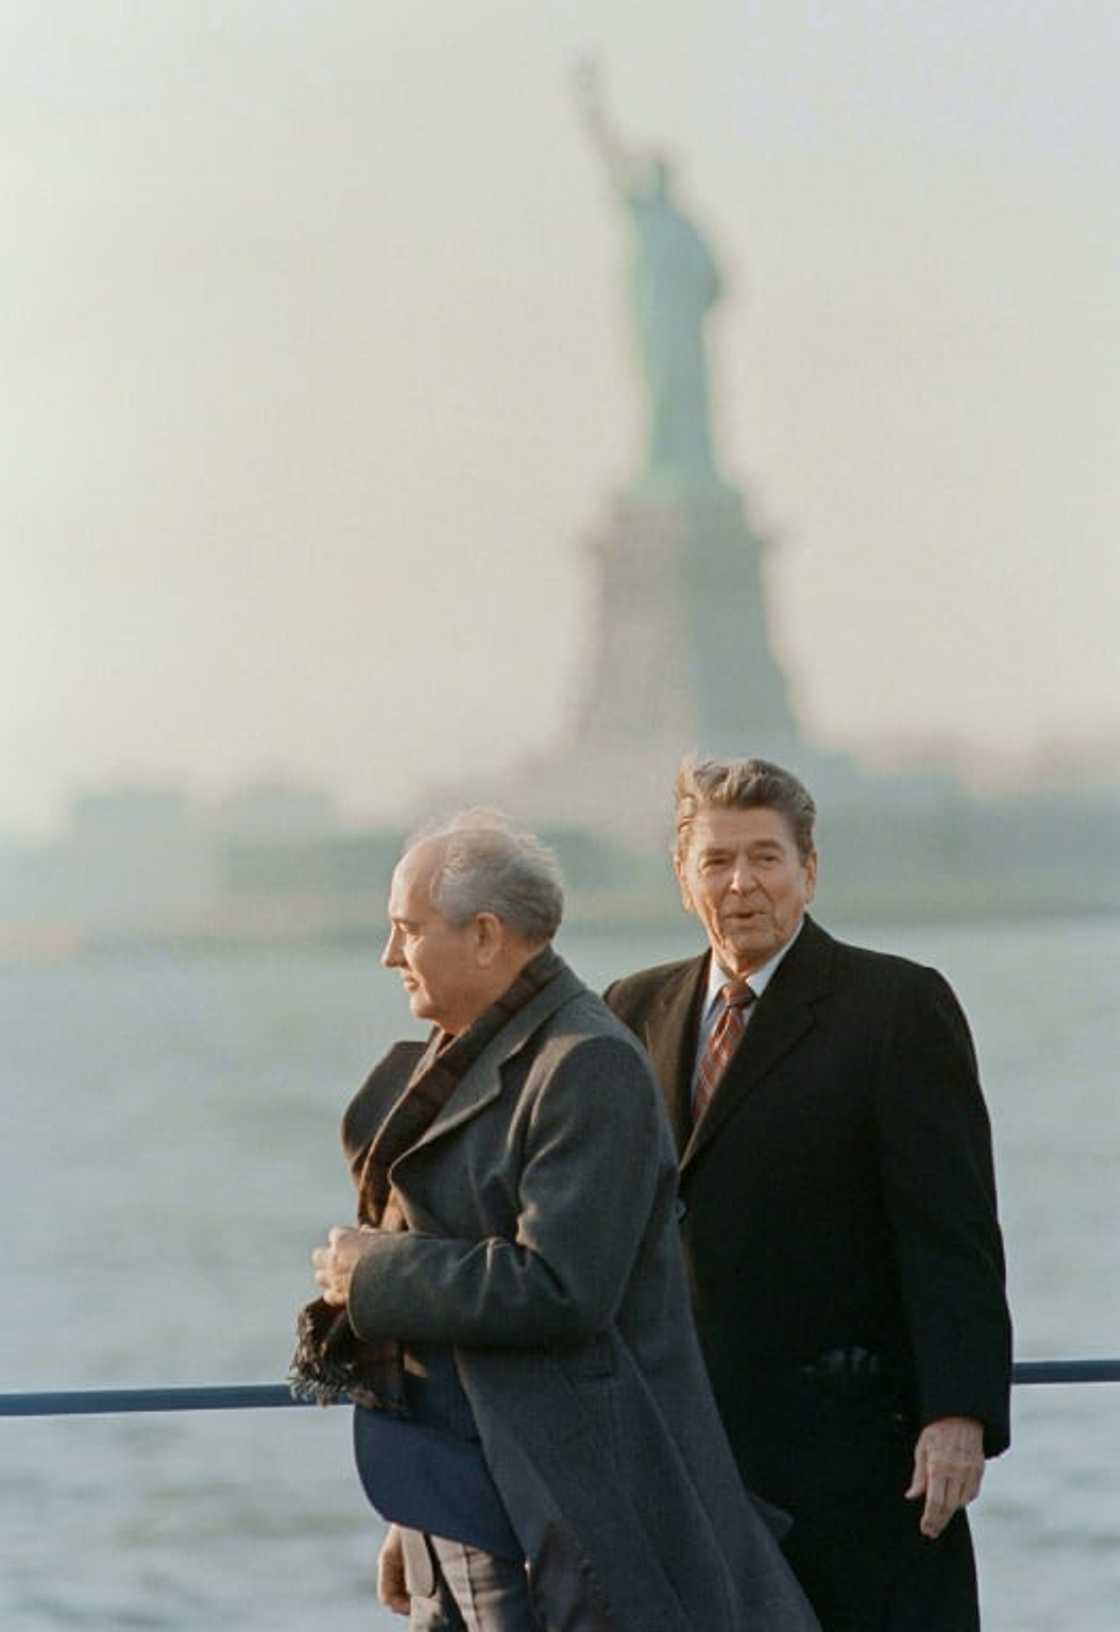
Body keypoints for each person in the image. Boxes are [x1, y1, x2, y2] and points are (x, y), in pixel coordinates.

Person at [296, 811, 818, 1632]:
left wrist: (373, 1273)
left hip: (564, 1504)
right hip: (465, 1494)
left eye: (407, 931)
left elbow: (563, 1286)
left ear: (486, 936)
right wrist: (415, 1513)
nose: (390, 955)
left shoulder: (588, 1065)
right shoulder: (470, 1049)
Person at [604, 758, 1013, 1632]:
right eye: (716, 862)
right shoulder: (633, 1009)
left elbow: (954, 1231)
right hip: (686, 1456)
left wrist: (959, 1414)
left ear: (809, 872)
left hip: (856, 1459)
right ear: (684, 880)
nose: (741, 884)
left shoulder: (897, 1005)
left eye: (766, 858)